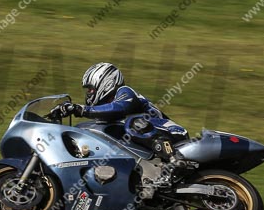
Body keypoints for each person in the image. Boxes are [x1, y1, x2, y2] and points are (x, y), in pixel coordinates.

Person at [58, 62, 191, 188]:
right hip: (152, 150)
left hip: (172, 132)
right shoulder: (107, 111)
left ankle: (175, 161)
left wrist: (81, 110)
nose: (88, 94)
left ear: (106, 82)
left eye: (91, 89)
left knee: (134, 123)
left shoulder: (125, 92)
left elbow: (117, 108)